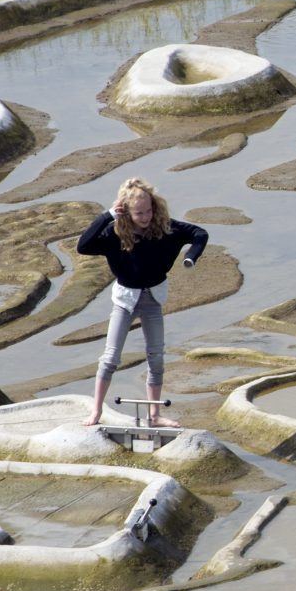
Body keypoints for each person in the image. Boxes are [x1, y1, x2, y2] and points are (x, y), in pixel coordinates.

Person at [76, 179, 208, 428]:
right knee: (110, 358)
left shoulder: (165, 229)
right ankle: (95, 412)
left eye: (149, 211)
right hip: (125, 301)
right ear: (125, 211)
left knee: (156, 358)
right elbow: (83, 246)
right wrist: (106, 215)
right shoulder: (113, 233)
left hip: (153, 300)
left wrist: (190, 257)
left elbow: (199, 234)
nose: (145, 216)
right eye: (139, 213)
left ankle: (155, 415)